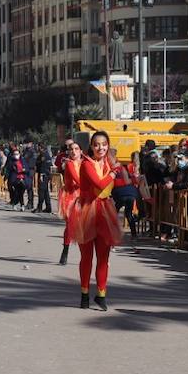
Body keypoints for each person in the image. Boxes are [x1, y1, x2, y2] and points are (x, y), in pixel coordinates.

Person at [67, 132, 124, 310]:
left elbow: (121, 184)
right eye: (97, 144)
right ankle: (84, 294)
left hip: (105, 211)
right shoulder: (86, 164)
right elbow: (100, 184)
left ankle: (101, 294)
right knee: (87, 257)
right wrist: (115, 173)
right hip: (86, 211)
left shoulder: (109, 162)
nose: (101, 148)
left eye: (104, 144)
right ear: (91, 146)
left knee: (103, 257)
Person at [57, 140, 82, 265]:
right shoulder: (69, 164)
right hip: (71, 197)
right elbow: (77, 180)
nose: (74, 151)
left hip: (83, 195)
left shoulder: (85, 163)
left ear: (81, 151)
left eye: (76, 149)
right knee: (70, 225)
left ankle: (86, 254)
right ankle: (65, 250)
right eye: (71, 149)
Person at [33, 144, 53, 215]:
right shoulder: (44, 155)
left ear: (41, 148)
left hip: (43, 175)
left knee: (41, 191)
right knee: (45, 192)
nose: (37, 149)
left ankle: (40, 207)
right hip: (44, 175)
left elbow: (45, 166)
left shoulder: (44, 156)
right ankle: (48, 207)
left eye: (38, 148)